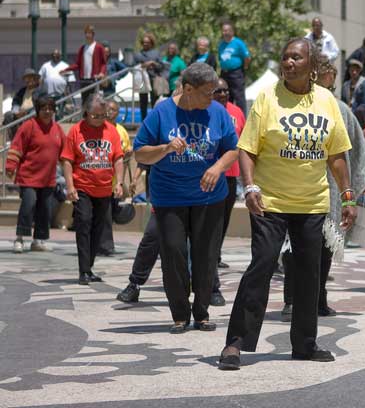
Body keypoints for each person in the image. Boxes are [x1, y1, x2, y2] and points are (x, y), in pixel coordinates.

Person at [219, 38, 355, 369]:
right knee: (262, 264)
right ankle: (235, 342)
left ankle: (305, 344)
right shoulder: (266, 98)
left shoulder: (326, 101)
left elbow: (336, 155)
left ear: (311, 65)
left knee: (310, 274)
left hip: (312, 202)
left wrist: (348, 195)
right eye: (285, 57)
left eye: (296, 57)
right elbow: (247, 148)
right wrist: (249, 186)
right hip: (270, 201)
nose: (289, 62)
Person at [133, 63, 238, 334]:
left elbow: (233, 149)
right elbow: (140, 153)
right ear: (188, 89)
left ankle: (201, 313)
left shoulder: (218, 113)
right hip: (170, 197)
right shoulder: (162, 113)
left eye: (215, 92)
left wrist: (217, 168)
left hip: (209, 198)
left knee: (205, 256)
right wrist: (166, 148)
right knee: (174, 253)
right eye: (207, 92)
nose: (212, 98)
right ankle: (180, 314)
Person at [282, 58, 365, 320]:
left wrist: (351, 191)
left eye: (330, 76)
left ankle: (316, 299)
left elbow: (357, 149)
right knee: (294, 246)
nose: (327, 81)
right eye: (325, 75)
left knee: (323, 247)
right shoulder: (289, 104)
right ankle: (293, 299)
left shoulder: (339, 109)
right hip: (296, 186)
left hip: (331, 190)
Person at [61, 94, 124, 285]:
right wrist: (70, 186)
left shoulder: (111, 131)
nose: (99, 120)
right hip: (83, 187)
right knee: (84, 222)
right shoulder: (76, 131)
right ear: (86, 113)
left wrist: (119, 183)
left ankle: (88, 267)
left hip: (104, 189)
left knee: (99, 229)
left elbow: (118, 158)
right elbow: (67, 160)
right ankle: (83, 271)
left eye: (103, 115)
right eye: (95, 116)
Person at [5, 92, 65, 254]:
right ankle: (19, 238)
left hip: (48, 178)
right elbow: (16, 147)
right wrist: (11, 166)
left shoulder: (57, 129)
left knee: (44, 209)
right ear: (37, 110)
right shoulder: (28, 126)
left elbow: (65, 153)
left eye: (50, 108)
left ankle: (39, 240)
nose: (47, 111)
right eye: (43, 108)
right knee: (28, 206)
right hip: (28, 177)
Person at [212, 78, 245, 271]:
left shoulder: (237, 112)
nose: (223, 94)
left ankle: (216, 255)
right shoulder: (206, 110)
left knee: (224, 218)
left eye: (225, 90)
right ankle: (209, 254)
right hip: (212, 174)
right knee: (211, 219)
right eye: (218, 91)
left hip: (232, 174)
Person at [96, 100, 132, 257]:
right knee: (103, 213)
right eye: (108, 109)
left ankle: (104, 245)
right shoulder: (99, 128)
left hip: (114, 181)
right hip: (98, 178)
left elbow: (125, 157)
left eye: (114, 110)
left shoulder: (122, 131)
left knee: (107, 214)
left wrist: (121, 181)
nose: (111, 112)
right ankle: (103, 245)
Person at [63, 25, 106, 104]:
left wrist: (102, 73)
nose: (87, 35)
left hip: (94, 79)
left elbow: (103, 63)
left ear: (93, 34)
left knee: (93, 102)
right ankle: (84, 116)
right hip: (83, 80)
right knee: (84, 101)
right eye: (86, 33)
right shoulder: (82, 48)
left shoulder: (99, 47)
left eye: (89, 33)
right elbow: (77, 64)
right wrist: (66, 69)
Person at [219, 22, 252, 116]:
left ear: (232, 32)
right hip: (224, 73)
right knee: (225, 95)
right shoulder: (221, 44)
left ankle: (242, 119)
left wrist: (244, 67)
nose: (225, 32)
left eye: (227, 30)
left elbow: (247, 57)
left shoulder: (238, 43)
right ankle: (226, 116)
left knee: (239, 97)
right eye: (224, 30)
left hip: (236, 73)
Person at [134, 32, 165, 122]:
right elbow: (134, 65)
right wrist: (144, 64)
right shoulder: (138, 54)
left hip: (153, 79)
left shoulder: (156, 53)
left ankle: (155, 120)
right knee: (143, 101)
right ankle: (144, 121)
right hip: (142, 79)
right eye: (143, 42)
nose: (145, 44)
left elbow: (161, 66)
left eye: (147, 42)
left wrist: (153, 63)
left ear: (151, 43)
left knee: (154, 101)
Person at [4, 69, 42, 139]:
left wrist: (26, 112)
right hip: (20, 112)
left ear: (35, 79)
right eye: (27, 78)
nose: (28, 80)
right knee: (8, 115)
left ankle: (29, 138)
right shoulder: (22, 91)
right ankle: (14, 138)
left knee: (32, 114)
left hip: (32, 113)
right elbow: (15, 102)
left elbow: (41, 104)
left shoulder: (40, 91)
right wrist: (16, 112)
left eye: (30, 78)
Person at [341, 59, 365, 127]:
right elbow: (343, 101)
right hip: (347, 116)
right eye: (352, 70)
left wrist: (353, 110)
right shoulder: (345, 85)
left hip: (362, 118)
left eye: (356, 70)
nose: (354, 72)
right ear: (349, 70)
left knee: (361, 110)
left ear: (360, 71)